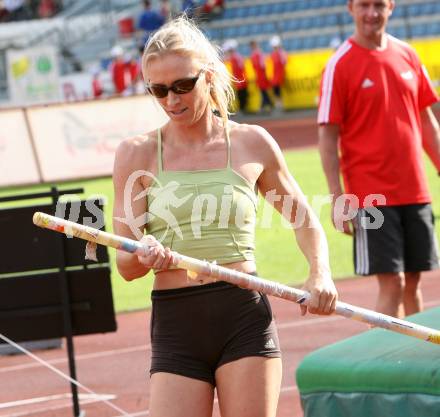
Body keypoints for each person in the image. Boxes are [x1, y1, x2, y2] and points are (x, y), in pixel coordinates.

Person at [113, 16, 337, 417]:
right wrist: (142, 252)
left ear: (209, 75)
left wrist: (319, 272)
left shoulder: (251, 143)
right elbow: (126, 266)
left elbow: (304, 218)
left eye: (183, 85)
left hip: (243, 317)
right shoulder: (137, 153)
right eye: (158, 90)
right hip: (176, 322)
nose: (171, 100)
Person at [317, 0, 440, 318]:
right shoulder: (339, 64)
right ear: (350, 9)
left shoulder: (408, 55)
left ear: (391, 8)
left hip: (415, 191)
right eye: (364, 5)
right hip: (371, 196)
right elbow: (328, 137)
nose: (371, 13)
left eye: (379, 5)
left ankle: (414, 362)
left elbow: (425, 118)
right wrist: (337, 197)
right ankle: (383, 365)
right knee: (393, 284)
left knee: (413, 281)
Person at [223, 39, 248, 113]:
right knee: (241, 96)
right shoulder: (238, 56)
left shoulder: (232, 58)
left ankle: (238, 109)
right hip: (240, 79)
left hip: (237, 80)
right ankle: (241, 109)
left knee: (237, 96)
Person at [250, 39, 273, 113]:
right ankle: (267, 105)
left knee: (263, 91)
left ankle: (265, 105)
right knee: (263, 91)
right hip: (260, 75)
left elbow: (262, 65)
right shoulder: (257, 53)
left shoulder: (257, 54)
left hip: (261, 75)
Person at [269, 35, 287, 109]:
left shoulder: (280, 54)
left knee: (277, 90)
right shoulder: (276, 54)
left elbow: (284, 62)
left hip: (278, 75)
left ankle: (279, 104)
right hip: (275, 75)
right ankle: (279, 104)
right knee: (276, 90)